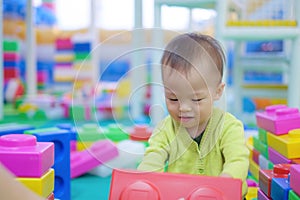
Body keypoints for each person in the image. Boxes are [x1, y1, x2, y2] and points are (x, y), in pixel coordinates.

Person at [137, 33, 249, 198]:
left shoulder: (229, 126)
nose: (184, 108)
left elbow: (238, 160)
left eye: (196, 99)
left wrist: (226, 181)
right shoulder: (165, 129)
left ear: (217, 92)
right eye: (173, 98)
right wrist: (146, 178)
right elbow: (153, 156)